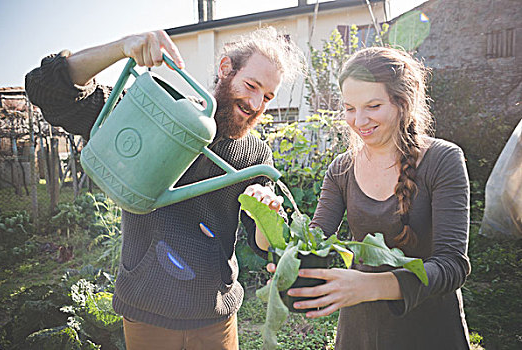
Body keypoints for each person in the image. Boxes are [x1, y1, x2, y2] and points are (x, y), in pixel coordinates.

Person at [25, 27, 303, 349]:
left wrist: (267, 213)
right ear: (226, 69)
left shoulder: (256, 154)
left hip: (216, 317)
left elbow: (262, 244)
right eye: (251, 86)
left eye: (267, 97)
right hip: (147, 311)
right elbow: (47, 89)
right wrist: (123, 46)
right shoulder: (157, 113)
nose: (256, 104)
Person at [250, 46, 472, 349]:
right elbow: (314, 240)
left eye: (373, 106)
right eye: (350, 108)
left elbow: (452, 266)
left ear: (402, 102)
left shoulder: (442, 160)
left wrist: (371, 286)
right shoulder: (342, 168)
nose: (359, 120)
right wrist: (266, 219)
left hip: (429, 331)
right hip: (360, 331)